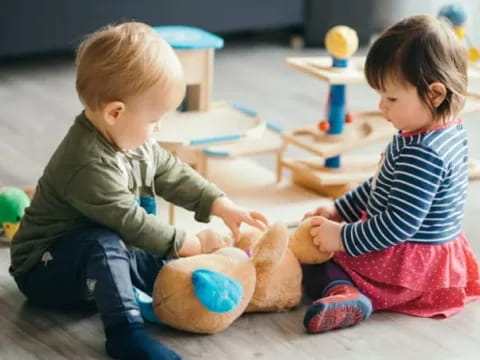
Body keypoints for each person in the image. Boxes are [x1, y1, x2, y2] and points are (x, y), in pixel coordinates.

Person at [9, 22, 268, 360]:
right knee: (111, 242)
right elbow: (132, 223)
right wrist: (191, 244)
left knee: (145, 244)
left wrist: (220, 205)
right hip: (44, 271)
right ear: (115, 112)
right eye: (154, 119)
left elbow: (171, 172)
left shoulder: (133, 140)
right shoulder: (86, 164)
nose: (159, 127)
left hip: (99, 248)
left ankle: (182, 295)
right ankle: (125, 333)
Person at [301, 15, 480, 334]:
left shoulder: (423, 152)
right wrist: (341, 209)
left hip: (406, 263)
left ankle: (348, 293)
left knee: (316, 261)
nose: (382, 107)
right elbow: (382, 183)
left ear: (436, 95)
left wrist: (341, 237)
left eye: (392, 98)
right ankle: (349, 286)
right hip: (431, 258)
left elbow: (398, 224)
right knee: (321, 241)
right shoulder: (442, 130)